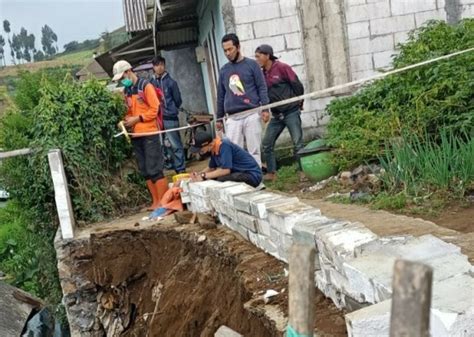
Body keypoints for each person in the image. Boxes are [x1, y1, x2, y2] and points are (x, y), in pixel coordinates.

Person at [112, 60, 168, 210]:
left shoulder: (146, 86)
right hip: (136, 135)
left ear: (128, 72)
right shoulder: (127, 91)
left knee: (154, 168)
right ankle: (155, 202)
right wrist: (125, 121)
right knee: (144, 170)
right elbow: (129, 111)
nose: (122, 82)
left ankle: (163, 202)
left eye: (122, 78)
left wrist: (138, 118)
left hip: (150, 132)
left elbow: (155, 108)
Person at [216, 33, 269, 166]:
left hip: (251, 113)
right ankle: (241, 183)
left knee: (254, 151)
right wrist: (219, 118)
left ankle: (257, 180)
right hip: (233, 117)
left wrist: (265, 108)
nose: (227, 53)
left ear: (238, 47)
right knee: (235, 152)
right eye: (225, 50)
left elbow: (261, 87)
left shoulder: (252, 65)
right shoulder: (224, 71)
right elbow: (221, 95)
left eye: (230, 49)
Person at [255, 44, 305, 181]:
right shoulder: (261, 74)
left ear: (267, 56)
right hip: (276, 115)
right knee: (266, 143)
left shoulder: (282, 68)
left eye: (258, 56)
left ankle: (303, 172)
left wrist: (299, 101)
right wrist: (265, 109)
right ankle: (272, 172)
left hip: (291, 111)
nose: (257, 59)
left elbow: (297, 85)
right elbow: (262, 94)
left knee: (298, 142)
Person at [150, 56, 186, 174]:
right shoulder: (151, 84)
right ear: (153, 67)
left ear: (164, 66)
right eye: (156, 65)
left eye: (161, 64)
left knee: (175, 144)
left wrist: (170, 109)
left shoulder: (171, 82)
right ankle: (172, 166)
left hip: (170, 118)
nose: (159, 67)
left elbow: (178, 100)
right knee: (164, 145)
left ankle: (180, 169)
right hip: (157, 119)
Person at [189, 132, 263, 188]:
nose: (199, 152)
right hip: (238, 173)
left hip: (251, 175)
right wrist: (198, 174)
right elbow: (211, 168)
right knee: (213, 178)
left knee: (220, 181)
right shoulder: (213, 149)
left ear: (210, 145)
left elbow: (225, 170)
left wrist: (203, 176)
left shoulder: (224, 145)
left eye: (200, 150)